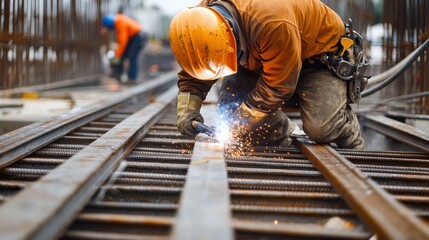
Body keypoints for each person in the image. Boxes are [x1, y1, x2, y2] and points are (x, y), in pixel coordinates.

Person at [169, 0, 371, 149]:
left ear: (231, 38)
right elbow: (198, 66)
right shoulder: (203, 22)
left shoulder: (272, 23)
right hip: (265, 54)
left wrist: (243, 119)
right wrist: (187, 110)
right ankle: (285, 135)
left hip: (319, 59)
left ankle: (352, 140)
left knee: (321, 128)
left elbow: (279, 86)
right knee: (236, 118)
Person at [101, 14, 147, 83]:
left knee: (132, 56)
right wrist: (119, 54)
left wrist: (117, 56)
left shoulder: (119, 23)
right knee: (125, 54)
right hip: (134, 36)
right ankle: (120, 73)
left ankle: (132, 78)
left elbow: (123, 42)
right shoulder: (118, 19)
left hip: (138, 37)